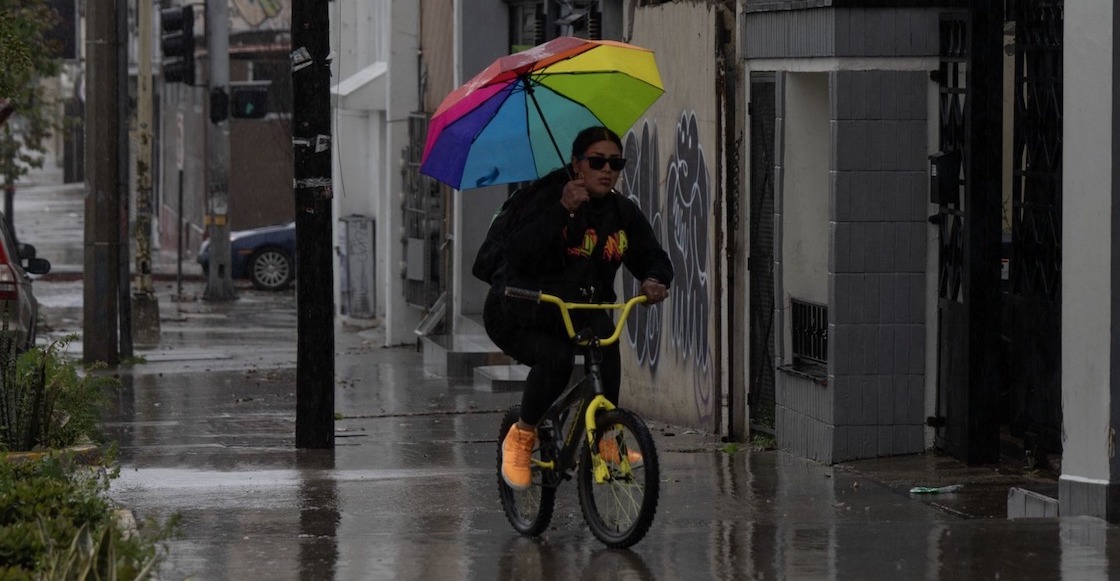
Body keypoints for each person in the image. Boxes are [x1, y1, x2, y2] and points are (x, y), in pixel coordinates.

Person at [484, 126, 674, 491]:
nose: (607, 170)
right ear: (577, 165)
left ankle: (607, 443)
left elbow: (653, 256)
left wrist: (654, 279)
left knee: (607, 342)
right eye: (597, 161)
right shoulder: (545, 197)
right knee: (555, 360)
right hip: (521, 310)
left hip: (579, 310)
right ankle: (521, 437)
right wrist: (561, 210)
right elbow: (517, 253)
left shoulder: (622, 213)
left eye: (615, 163)